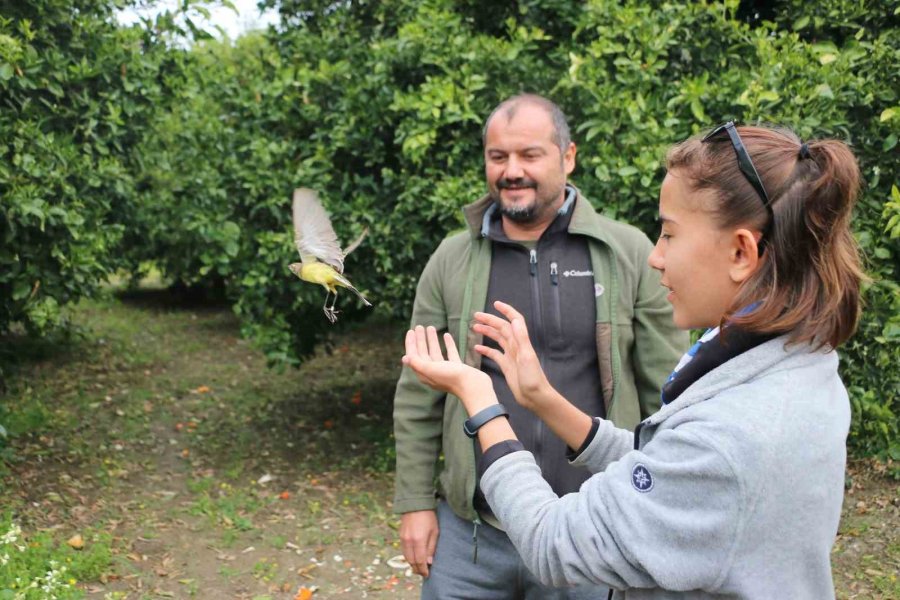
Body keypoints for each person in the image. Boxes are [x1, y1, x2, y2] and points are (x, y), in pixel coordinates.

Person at [401, 122, 864, 599]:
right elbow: (669, 467)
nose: (656, 257)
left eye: (668, 234)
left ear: (742, 251)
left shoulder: (729, 436)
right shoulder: (798, 367)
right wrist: (542, 398)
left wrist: (481, 401)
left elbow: (553, 544)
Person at [392, 93, 687, 599]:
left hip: (590, 528)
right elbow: (419, 395)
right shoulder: (451, 260)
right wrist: (416, 503)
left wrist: (660, 506)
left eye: (530, 155)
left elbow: (667, 394)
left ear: (568, 157)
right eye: (497, 157)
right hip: (474, 536)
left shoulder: (629, 253)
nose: (512, 171)